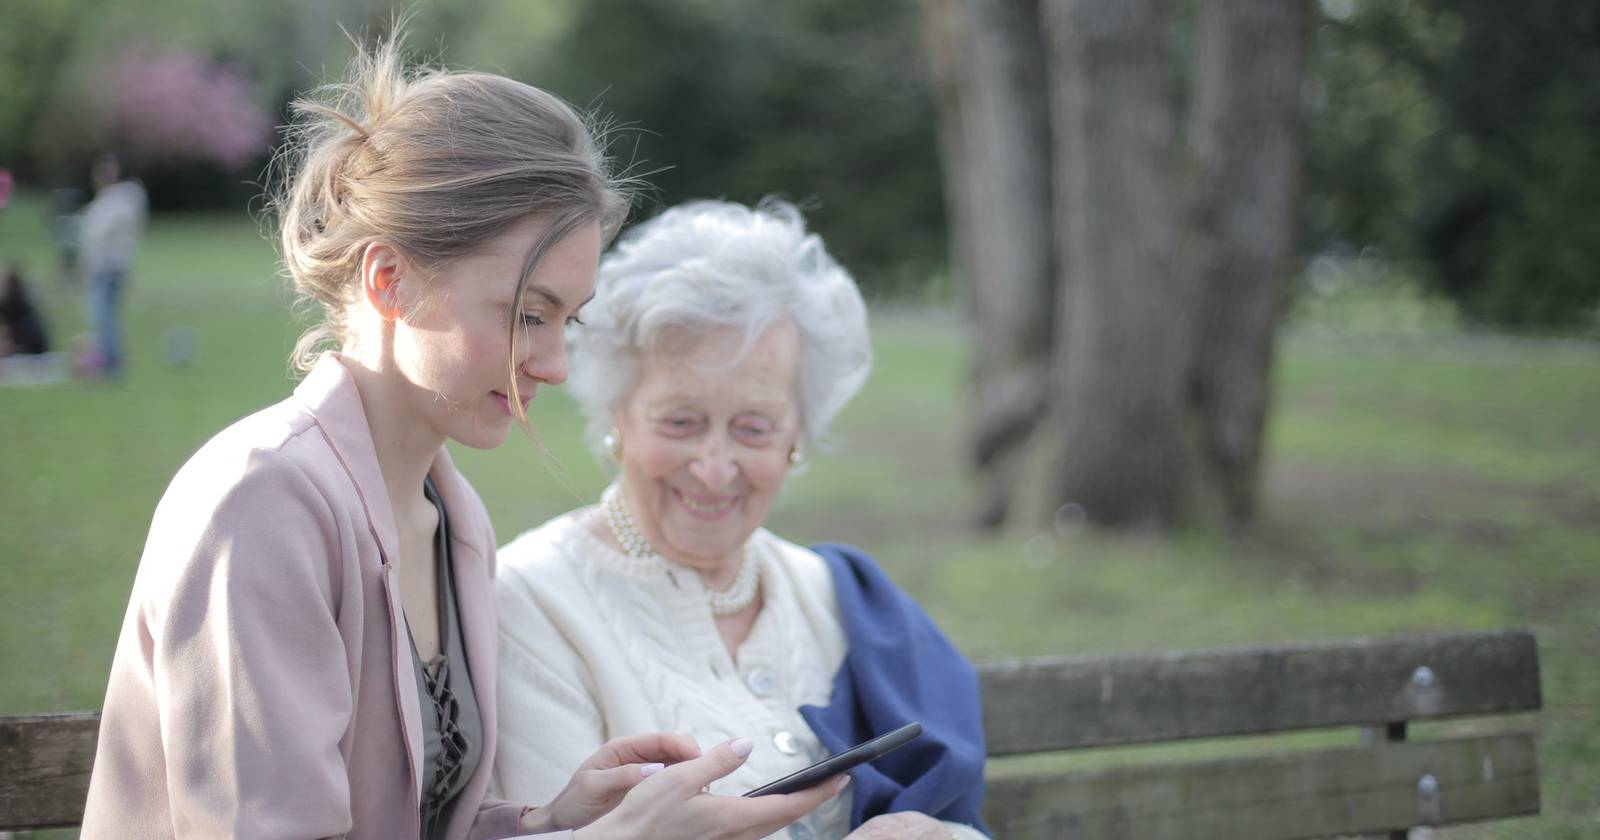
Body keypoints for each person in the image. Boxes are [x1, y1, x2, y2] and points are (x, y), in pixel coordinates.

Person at [79, 35, 843, 840]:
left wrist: (549, 818)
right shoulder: (260, 503)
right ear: (389, 279)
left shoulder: (453, 516)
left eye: (567, 321)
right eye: (525, 315)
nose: (553, 364)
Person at [494, 201, 991, 840]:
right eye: (680, 421)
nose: (714, 467)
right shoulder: (531, 604)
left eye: (753, 428)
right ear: (618, 415)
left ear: (796, 436)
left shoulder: (837, 596)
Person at [77, 152, 147, 376]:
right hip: (104, 267)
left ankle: (111, 364)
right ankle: (107, 360)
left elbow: (101, 234)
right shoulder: (110, 201)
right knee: (103, 316)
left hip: (109, 267)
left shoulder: (121, 200)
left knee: (103, 316)